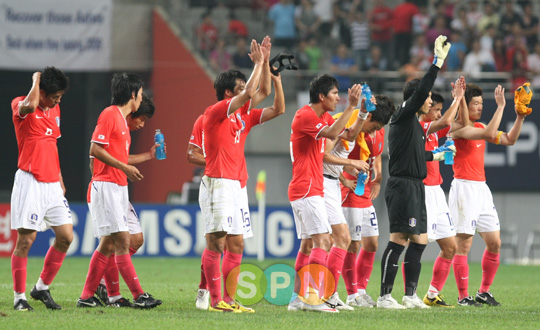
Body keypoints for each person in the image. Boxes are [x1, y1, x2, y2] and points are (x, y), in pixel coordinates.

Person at [191, 40, 285, 312]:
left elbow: (268, 95)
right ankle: (215, 298)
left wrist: (266, 64)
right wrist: (257, 64)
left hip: (237, 185)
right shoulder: (215, 113)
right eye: (241, 88)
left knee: (237, 242)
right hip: (217, 181)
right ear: (228, 93)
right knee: (216, 242)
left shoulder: (243, 118)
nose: (247, 92)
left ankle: (230, 300)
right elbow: (248, 95)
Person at [377, 35, 451, 309]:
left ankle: (409, 295)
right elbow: (421, 92)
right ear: (416, 98)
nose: (430, 101)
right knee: (398, 239)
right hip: (402, 186)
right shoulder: (403, 114)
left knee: (419, 241)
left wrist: (436, 155)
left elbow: (415, 154)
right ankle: (385, 296)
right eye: (428, 97)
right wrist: (437, 63)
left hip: (415, 186)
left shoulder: (415, 126)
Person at [77, 73, 161, 309]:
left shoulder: (121, 121)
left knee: (110, 244)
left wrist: (145, 157)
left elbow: (118, 156)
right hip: (107, 186)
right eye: (141, 94)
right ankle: (138, 295)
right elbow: (95, 149)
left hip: (117, 185)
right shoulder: (110, 114)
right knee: (122, 241)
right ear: (133, 95)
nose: (141, 98)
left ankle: (95, 296)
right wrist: (125, 168)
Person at [287, 74, 364, 313]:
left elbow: (342, 134)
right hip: (308, 188)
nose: (338, 97)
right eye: (334, 93)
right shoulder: (306, 115)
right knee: (323, 241)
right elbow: (332, 135)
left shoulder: (322, 117)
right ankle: (313, 298)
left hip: (310, 188)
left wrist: (359, 113)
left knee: (309, 244)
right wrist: (351, 106)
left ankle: (298, 298)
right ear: (321, 96)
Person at [449, 82, 530, 307]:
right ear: (464, 105)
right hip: (464, 187)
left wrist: (520, 118)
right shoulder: (456, 128)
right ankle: (463, 296)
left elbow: (510, 140)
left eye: (481, 103)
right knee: (463, 245)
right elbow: (488, 133)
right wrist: (501, 106)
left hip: (482, 189)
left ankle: (484, 291)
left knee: (495, 242)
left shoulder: (482, 125)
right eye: (475, 103)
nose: (479, 107)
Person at [10, 67, 71, 311]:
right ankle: (19, 298)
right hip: (30, 180)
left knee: (66, 237)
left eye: (60, 96)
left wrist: (60, 178)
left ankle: (41, 288)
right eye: (55, 96)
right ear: (42, 91)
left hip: (52, 183)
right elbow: (30, 104)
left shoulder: (55, 109)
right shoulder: (22, 105)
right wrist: (36, 79)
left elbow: (52, 144)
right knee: (26, 240)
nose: (58, 100)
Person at [337, 95, 395, 308]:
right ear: (367, 116)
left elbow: (376, 155)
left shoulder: (377, 130)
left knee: (371, 243)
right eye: (374, 126)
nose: (374, 131)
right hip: (349, 189)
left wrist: (378, 178)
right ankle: (352, 295)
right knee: (353, 244)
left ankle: (361, 290)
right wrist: (346, 169)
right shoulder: (350, 126)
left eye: (378, 128)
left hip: (366, 190)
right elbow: (328, 151)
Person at [417, 79, 467, 308]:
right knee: (416, 243)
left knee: (450, 246)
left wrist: (462, 99)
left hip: (437, 192)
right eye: (435, 109)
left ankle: (432, 295)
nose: (438, 114)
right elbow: (449, 119)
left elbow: (462, 122)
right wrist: (457, 97)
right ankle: (407, 295)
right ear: (425, 107)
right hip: (422, 191)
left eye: (439, 110)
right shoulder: (418, 127)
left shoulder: (435, 133)